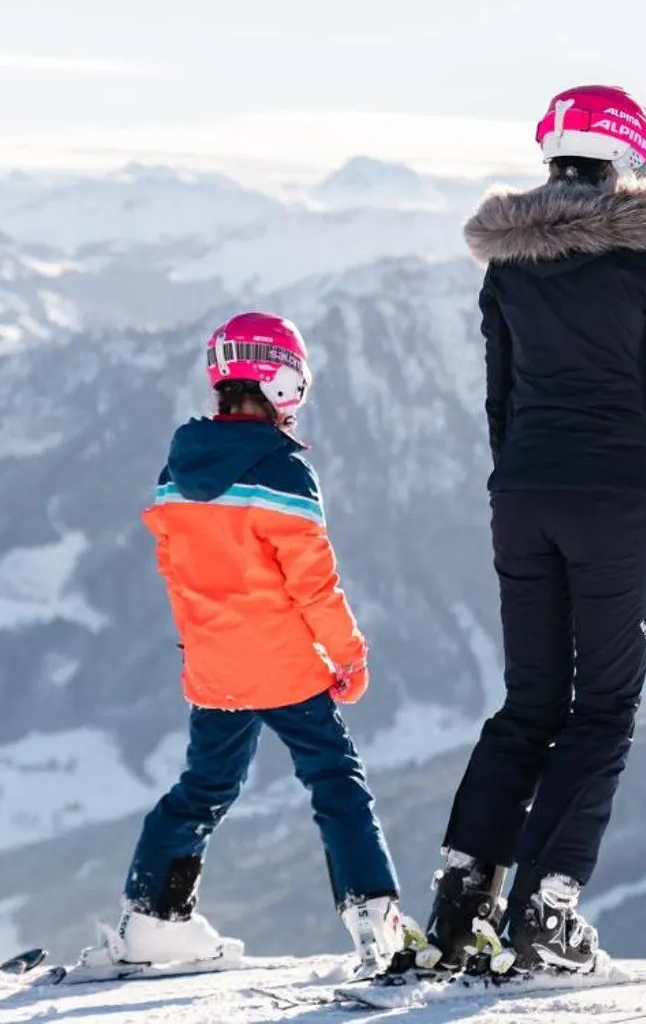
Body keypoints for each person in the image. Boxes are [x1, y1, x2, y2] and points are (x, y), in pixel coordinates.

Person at [421, 87, 646, 975]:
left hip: (523, 497)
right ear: (627, 161)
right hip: (613, 502)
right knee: (605, 705)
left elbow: (499, 398)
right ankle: (545, 914)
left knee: (529, 701)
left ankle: (462, 900)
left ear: (551, 154)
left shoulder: (506, 264)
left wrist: (523, 484)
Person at [101, 313, 422, 978]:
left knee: (203, 788)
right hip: (286, 666)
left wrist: (199, 648)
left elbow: (178, 573)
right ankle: (375, 918)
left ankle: (152, 920)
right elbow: (314, 582)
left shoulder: (178, 467)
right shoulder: (283, 469)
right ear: (282, 383)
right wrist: (349, 653)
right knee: (335, 780)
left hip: (214, 665)